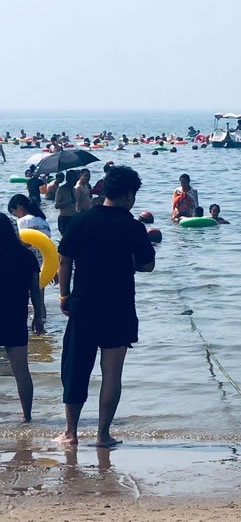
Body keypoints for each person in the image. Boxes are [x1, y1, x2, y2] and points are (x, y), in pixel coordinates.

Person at [57, 165, 155, 448]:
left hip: (84, 304)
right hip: (119, 307)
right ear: (129, 195)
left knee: (76, 368)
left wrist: (64, 296)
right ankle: (102, 435)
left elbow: (64, 260)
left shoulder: (81, 220)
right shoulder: (133, 227)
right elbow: (147, 265)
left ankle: (70, 433)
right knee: (112, 373)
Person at [0, 215, 45, 422]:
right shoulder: (26, 256)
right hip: (15, 317)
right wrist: (38, 316)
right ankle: (27, 417)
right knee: (21, 371)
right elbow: (36, 291)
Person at [8, 194, 52, 320]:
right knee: (39, 300)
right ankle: (41, 326)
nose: (15, 216)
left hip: (25, 264)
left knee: (24, 300)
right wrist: (53, 270)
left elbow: (16, 242)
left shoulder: (22, 222)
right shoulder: (43, 221)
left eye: (13, 212)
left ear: (19, 207)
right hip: (43, 266)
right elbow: (49, 246)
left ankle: (29, 327)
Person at [55, 170, 80, 235]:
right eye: (74, 180)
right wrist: (68, 202)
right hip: (64, 218)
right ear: (69, 179)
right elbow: (56, 205)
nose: (76, 181)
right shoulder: (61, 189)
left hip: (73, 217)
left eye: (77, 179)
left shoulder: (74, 189)